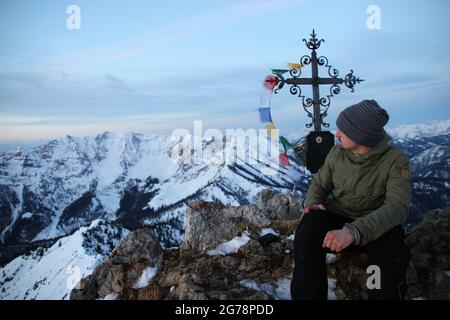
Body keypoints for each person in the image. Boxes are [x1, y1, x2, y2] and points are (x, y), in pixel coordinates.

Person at [290, 99, 412, 300]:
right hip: (340, 216)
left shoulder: (396, 160)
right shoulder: (337, 153)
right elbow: (320, 184)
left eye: (343, 131)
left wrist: (353, 232)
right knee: (309, 226)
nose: (337, 134)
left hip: (377, 226)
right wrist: (312, 202)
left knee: (389, 258)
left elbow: (397, 207)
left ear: (360, 135)